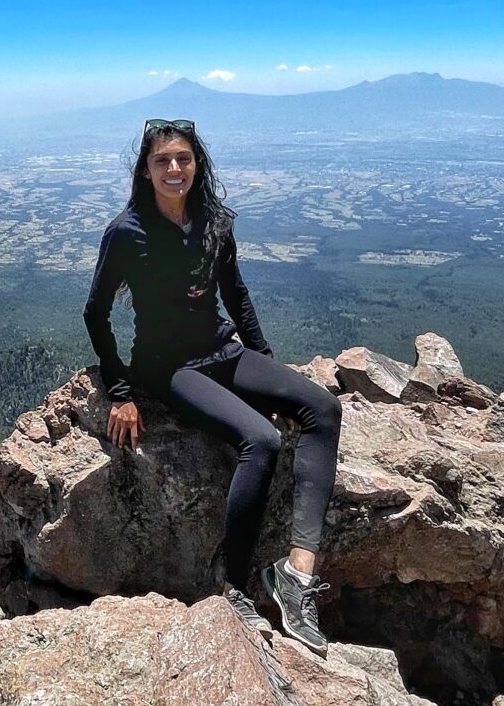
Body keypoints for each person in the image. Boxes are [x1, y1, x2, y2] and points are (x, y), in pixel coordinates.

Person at [82, 118, 342, 655]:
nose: (174, 169)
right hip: (169, 368)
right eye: (162, 161)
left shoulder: (215, 222)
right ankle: (234, 586)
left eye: (183, 159)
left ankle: (296, 575)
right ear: (146, 170)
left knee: (321, 407)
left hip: (224, 351)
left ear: (196, 164)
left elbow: (236, 294)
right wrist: (121, 392)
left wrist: (271, 374)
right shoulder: (126, 232)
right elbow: (96, 313)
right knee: (262, 441)